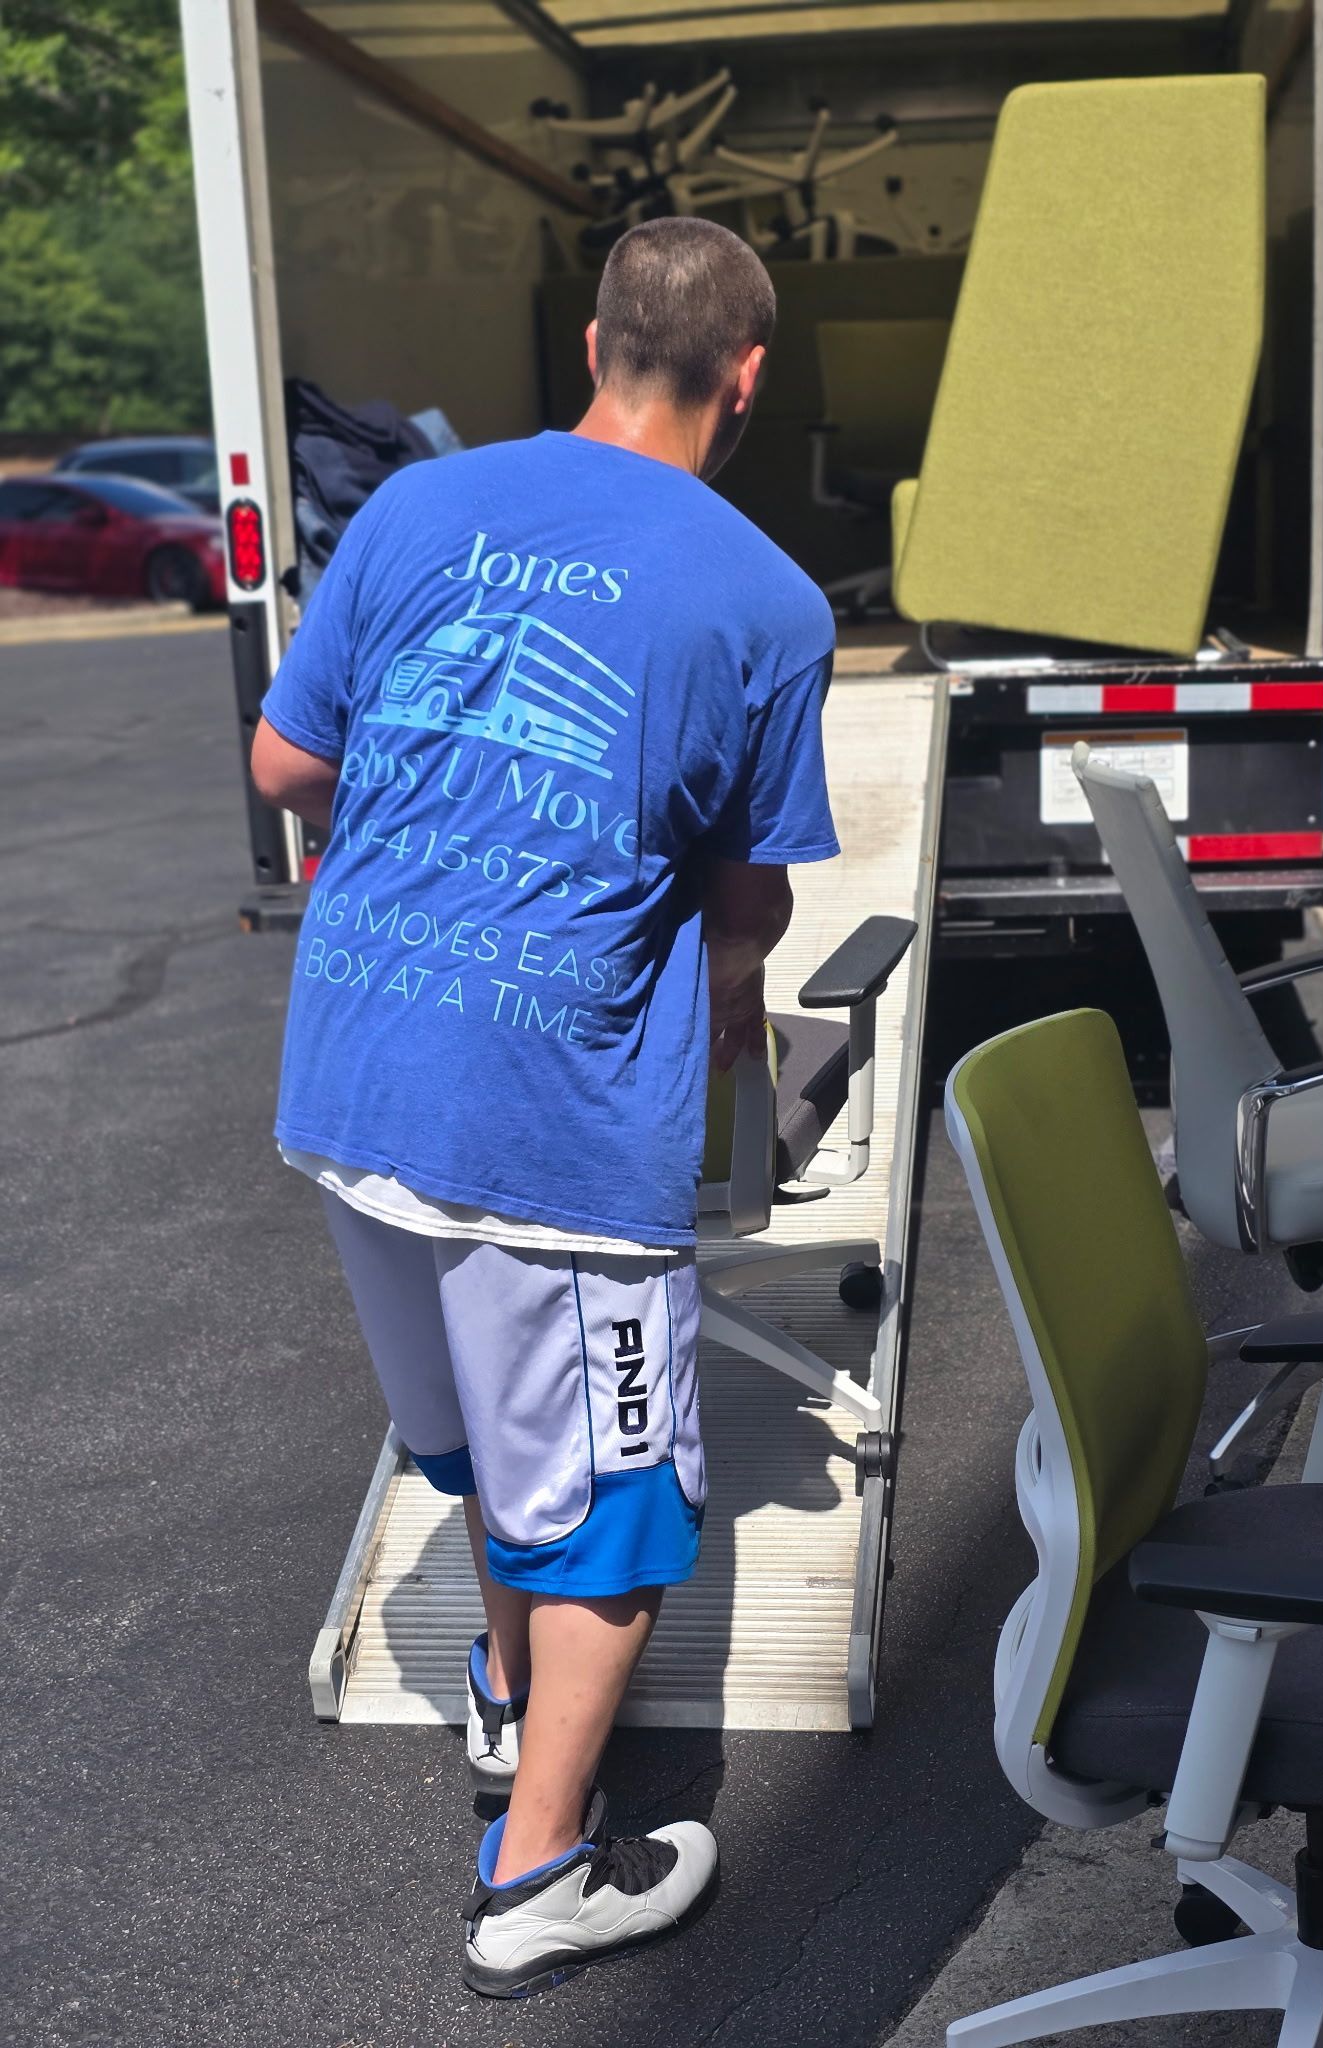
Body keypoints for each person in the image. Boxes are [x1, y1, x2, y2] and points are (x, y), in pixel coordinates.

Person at [249, 217, 839, 1998]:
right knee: (615, 1515)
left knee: (479, 1451)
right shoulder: (768, 602)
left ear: (592, 343)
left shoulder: (418, 511)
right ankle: (539, 1876)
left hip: (353, 1081)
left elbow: (285, 765)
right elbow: (746, 908)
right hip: (551, 1128)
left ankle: (511, 1712)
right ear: (747, 381)